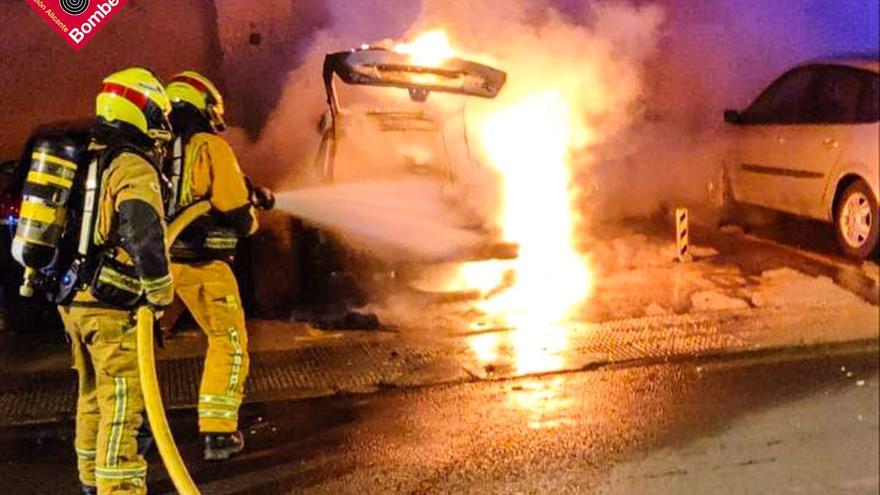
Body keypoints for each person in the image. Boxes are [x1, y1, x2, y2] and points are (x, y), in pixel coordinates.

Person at [58, 67, 175, 495]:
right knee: (123, 402)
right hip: (111, 307)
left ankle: (90, 482)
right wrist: (160, 289)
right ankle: (120, 489)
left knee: (92, 397)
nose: (161, 128)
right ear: (139, 110)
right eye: (157, 115)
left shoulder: (88, 156)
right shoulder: (131, 164)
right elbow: (142, 229)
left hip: (74, 302)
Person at [163, 70, 260, 461]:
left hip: (158, 266)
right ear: (203, 106)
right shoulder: (210, 146)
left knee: (133, 348)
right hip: (203, 268)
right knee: (228, 342)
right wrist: (254, 210)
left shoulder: (154, 147)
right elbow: (241, 217)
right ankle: (218, 433)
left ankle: (134, 433)